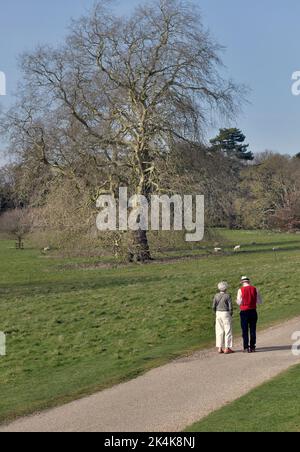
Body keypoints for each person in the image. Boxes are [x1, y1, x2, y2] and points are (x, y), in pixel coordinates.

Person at [237, 276, 263, 353]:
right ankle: (252, 347)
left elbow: (239, 302)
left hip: (244, 311)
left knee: (244, 330)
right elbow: (260, 301)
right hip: (253, 311)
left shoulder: (240, 290)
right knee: (252, 329)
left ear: (242, 282)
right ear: (249, 281)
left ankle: (246, 347)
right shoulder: (255, 289)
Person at [213, 281, 234, 355]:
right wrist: (231, 313)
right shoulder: (228, 296)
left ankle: (219, 348)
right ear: (226, 288)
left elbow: (213, 306)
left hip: (218, 313)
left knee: (219, 331)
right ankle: (227, 348)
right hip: (225, 313)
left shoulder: (216, 295)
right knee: (227, 330)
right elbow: (230, 307)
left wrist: (215, 313)